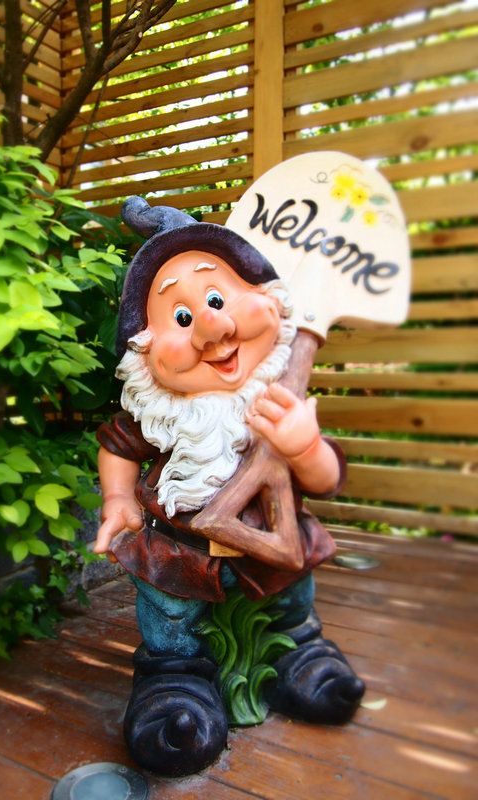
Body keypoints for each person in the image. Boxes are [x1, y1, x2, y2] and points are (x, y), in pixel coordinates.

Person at [94, 197, 365, 776]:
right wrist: (117, 499)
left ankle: (302, 658)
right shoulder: (160, 413)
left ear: (267, 298)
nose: (212, 327)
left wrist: (303, 446)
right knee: (170, 621)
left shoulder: (280, 397)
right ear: (144, 348)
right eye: (181, 318)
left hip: (274, 547)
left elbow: (327, 480)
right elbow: (117, 447)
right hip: (180, 553)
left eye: (217, 300)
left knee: (290, 604)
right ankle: (174, 686)